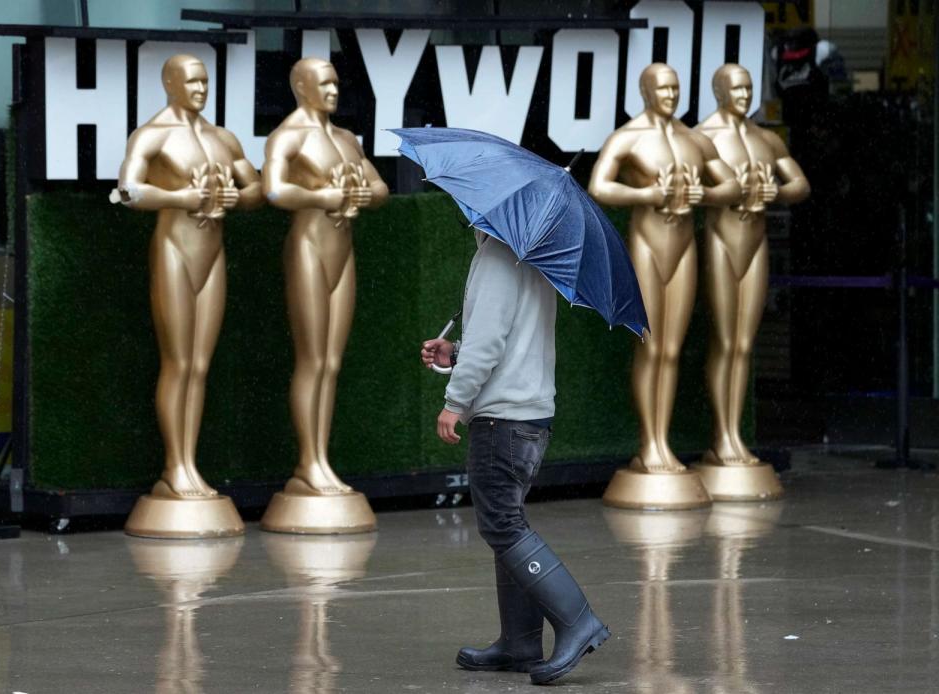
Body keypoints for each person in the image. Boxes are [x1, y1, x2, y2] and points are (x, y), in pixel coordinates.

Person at [421, 230, 610, 685]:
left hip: (502, 420)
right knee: (508, 522)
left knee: (503, 524)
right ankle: (520, 642)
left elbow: (488, 343)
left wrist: (455, 401)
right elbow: (510, 342)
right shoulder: (531, 258)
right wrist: (455, 354)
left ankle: (577, 621)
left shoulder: (495, 259)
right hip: (529, 415)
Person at [117, 54, 262, 499]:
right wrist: (182, 195)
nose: (200, 88)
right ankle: (174, 466)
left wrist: (231, 197)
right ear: (170, 82)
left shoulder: (222, 138)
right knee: (177, 362)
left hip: (212, 252)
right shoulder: (153, 134)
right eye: (192, 81)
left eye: (205, 81)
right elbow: (128, 189)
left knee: (199, 365)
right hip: (174, 250)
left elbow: (257, 189)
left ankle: (189, 465)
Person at [588, 63, 739, 474]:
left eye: (675, 88)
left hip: (684, 243)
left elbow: (732, 187)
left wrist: (703, 192)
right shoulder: (629, 137)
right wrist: (648, 192)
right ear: (644, 90)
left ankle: (663, 441)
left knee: (671, 349)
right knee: (650, 345)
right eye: (662, 88)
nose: (670, 95)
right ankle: (649, 443)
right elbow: (599, 186)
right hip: (648, 244)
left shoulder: (694, 139)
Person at [263, 58, 389, 495]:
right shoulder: (288, 136)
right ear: (301, 86)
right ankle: (307, 462)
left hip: (342, 250)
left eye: (336, 82)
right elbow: (274, 189)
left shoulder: (346, 139)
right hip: (308, 248)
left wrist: (361, 192)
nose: (334, 90)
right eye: (324, 82)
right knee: (312, 359)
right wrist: (326, 193)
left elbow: (381, 189)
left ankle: (321, 459)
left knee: (331, 363)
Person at [695, 64, 810, 465]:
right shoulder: (703, 136)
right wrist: (724, 192)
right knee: (725, 340)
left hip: (756, 241)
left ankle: (734, 434)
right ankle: (722, 435)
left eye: (748, 88)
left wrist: (773, 189)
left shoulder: (766, 138)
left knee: (744, 343)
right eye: (736, 88)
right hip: (721, 240)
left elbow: (800, 184)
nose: (744, 95)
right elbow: (691, 189)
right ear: (718, 89)